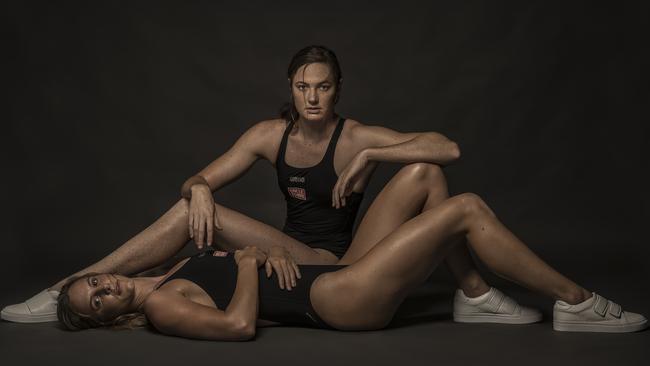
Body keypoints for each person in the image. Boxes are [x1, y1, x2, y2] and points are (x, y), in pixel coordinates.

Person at [0, 45, 607, 328]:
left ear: (336, 90)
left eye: (322, 87)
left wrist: (372, 150)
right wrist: (201, 188)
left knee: (428, 173)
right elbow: (199, 178)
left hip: (352, 256)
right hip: (298, 256)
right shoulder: (269, 135)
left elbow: (446, 147)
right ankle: (61, 288)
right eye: (301, 87)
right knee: (191, 209)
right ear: (290, 89)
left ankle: (472, 292)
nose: (312, 97)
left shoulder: (354, 135)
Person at [56, 191, 647, 339]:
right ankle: (576, 304)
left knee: (426, 178)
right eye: (98, 303)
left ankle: (472, 295)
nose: (104, 289)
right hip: (337, 301)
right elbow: (238, 326)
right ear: (109, 319)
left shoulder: (170, 269)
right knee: (465, 209)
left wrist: (254, 254)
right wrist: (247, 261)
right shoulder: (161, 305)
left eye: (91, 284)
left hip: (328, 274)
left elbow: (249, 256)